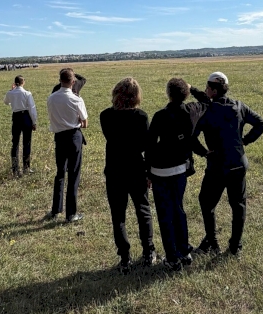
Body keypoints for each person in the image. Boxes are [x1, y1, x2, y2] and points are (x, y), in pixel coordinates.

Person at [192, 71, 263, 257]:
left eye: (207, 87)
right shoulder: (239, 106)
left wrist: (203, 152)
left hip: (217, 166)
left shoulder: (206, 111)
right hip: (238, 163)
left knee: (206, 202)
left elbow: (191, 137)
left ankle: (212, 242)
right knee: (238, 205)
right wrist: (245, 140)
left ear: (213, 91)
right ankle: (235, 247)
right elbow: (261, 124)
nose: (205, 90)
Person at [146, 77, 208, 271]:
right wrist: (193, 88)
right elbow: (207, 101)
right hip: (180, 169)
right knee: (178, 209)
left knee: (165, 213)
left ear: (168, 94)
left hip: (159, 171)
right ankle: (185, 251)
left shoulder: (159, 115)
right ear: (186, 94)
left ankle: (172, 257)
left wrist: (147, 170)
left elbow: (149, 145)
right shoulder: (192, 111)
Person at [99, 77, 156, 273]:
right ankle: (149, 251)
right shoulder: (141, 116)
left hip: (114, 169)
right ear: (136, 96)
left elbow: (111, 139)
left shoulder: (105, 116)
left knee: (118, 215)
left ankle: (124, 257)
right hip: (136, 168)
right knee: (143, 209)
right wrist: (149, 171)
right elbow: (146, 147)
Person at [45, 68, 88, 223]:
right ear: (73, 82)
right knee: (74, 174)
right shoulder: (77, 99)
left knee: (60, 174)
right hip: (74, 137)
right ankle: (71, 213)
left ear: (60, 80)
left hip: (59, 137)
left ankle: (56, 209)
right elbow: (85, 123)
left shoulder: (51, 98)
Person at [3, 75, 38, 177]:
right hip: (26, 117)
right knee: (27, 142)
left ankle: (15, 168)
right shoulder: (27, 93)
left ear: (15, 83)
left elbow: (6, 102)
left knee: (15, 143)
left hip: (16, 117)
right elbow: (32, 108)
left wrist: (11, 90)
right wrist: (34, 122)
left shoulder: (10, 93)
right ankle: (26, 167)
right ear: (23, 82)